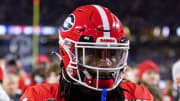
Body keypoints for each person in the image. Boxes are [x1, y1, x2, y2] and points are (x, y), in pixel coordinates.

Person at [21, 5, 153, 101]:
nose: (106, 62)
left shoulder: (137, 95)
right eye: (94, 53)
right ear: (69, 52)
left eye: (112, 53)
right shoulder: (39, 97)